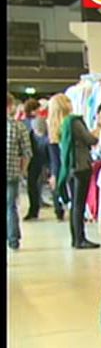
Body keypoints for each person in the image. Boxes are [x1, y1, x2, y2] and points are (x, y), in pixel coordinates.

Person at [56, 93, 101, 249]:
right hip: (81, 164)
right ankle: (80, 239)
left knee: (74, 203)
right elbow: (90, 140)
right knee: (79, 204)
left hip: (69, 167)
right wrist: (99, 128)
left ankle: (75, 238)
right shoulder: (73, 121)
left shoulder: (58, 124)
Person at [7, 93, 34, 250]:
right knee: (11, 206)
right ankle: (13, 239)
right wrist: (23, 171)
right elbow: (27, 153)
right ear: (10, 106)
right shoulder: (19, 127)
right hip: (12, 172)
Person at [46, 94, 72, 221]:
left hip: (57, 161)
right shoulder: (70, 122)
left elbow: (53, 153)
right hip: (70, 161)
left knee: (57, 181)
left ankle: (59, 209)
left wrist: (54, 173)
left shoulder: (50, 124)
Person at [21, 98, 46, 221]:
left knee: (32, 185)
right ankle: (34, 209)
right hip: (36, 157)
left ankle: (34, 209)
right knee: (34, 184)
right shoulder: (36, 122)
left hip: (29, 158)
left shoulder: (23, 123)